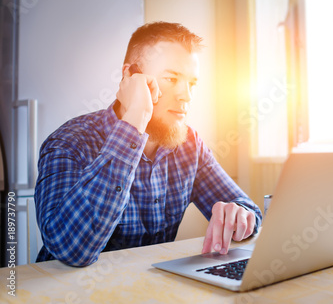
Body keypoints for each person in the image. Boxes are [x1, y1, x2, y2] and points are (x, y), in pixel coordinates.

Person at [34, 22, 262, 266]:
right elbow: (69, 250)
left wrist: (240, 217)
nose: (186, 95)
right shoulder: (70, 142)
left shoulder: (189, 144)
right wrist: (135, 121)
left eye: (191, 83)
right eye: (171, 78)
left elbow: (251, 212)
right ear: (130, 76)